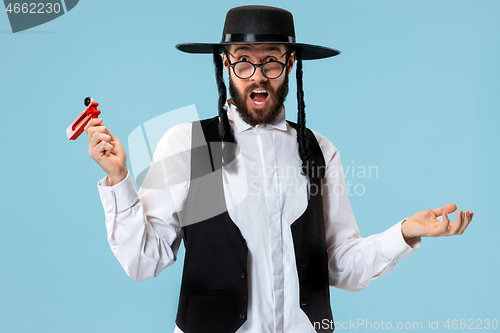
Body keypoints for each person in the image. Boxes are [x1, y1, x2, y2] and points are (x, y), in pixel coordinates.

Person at [84, 5, 473, 333]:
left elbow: (337, 265)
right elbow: (143, 261)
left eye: (270, 60)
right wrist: (119, 180)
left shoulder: (318, 151)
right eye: (243, 61)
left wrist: (403, 232)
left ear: (290, 63)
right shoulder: (190, 145)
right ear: (225, 64)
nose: (257, 74)